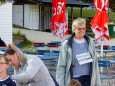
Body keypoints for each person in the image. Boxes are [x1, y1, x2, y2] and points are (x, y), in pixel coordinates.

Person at [56, 18, 102, 86]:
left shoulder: (90, 42)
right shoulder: (67, 44)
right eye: (79, 29)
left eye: (83, 28)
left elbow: (95, 64)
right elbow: (61, 66)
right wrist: (60, 84)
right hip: (74, 79)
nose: (82, 31)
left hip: (88, 78)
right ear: (74, 29)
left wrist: (98, 83)